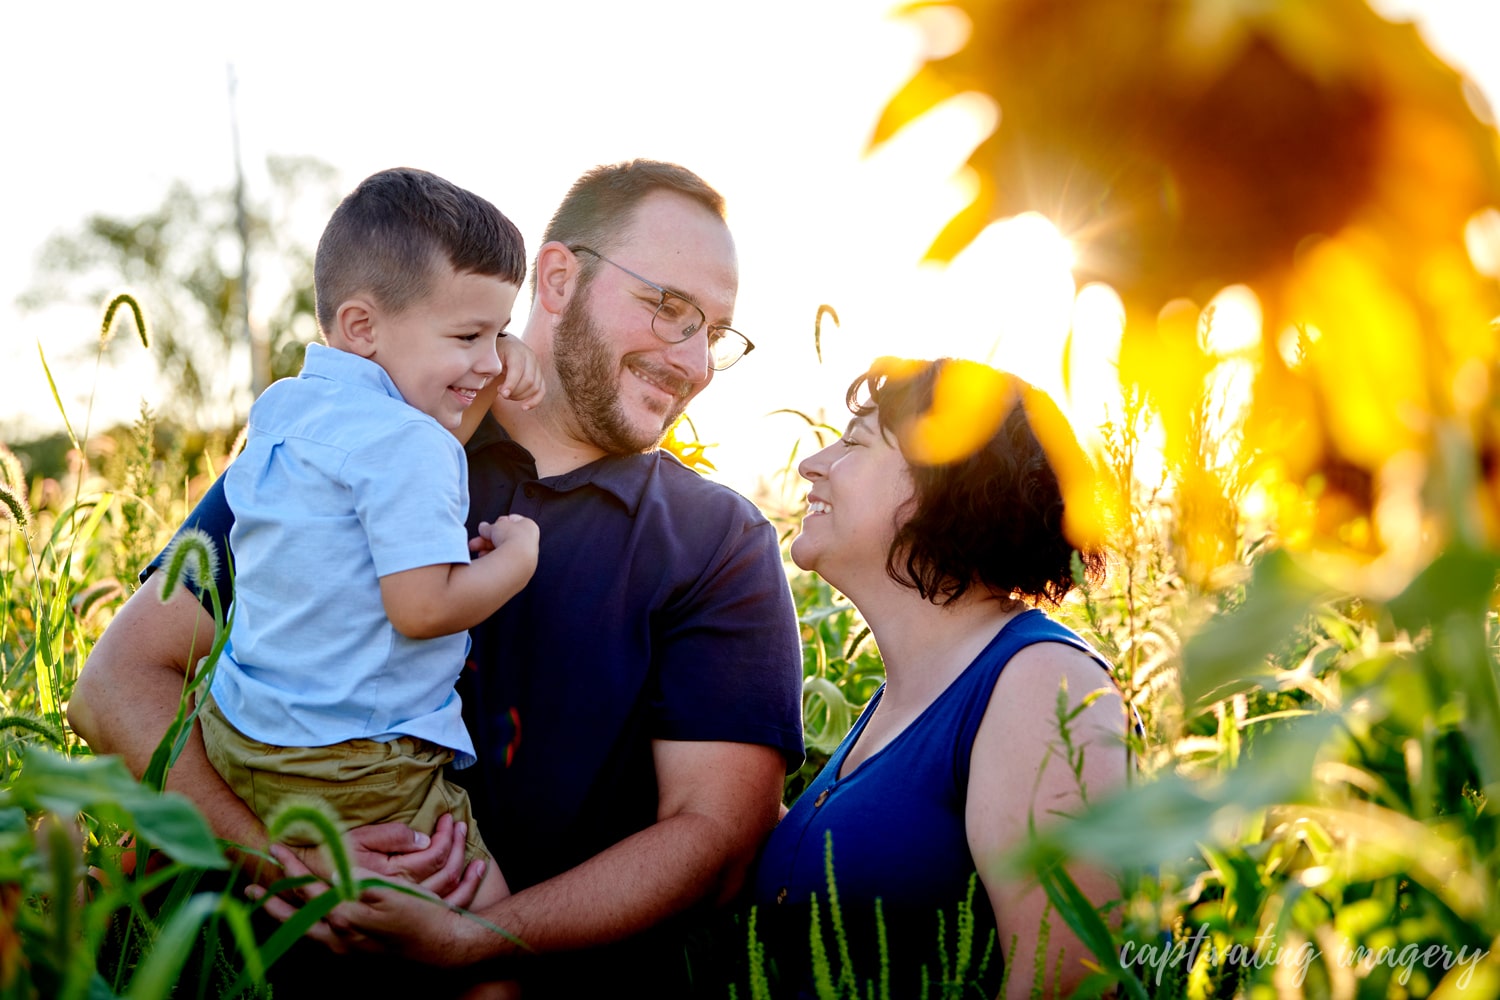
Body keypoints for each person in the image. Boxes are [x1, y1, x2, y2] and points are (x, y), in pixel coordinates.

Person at [68, 160, 805, 998]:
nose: (694, 361)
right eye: (669, 308)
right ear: (558, 277)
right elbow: (115, 683)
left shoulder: (719, 541)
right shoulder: (355, 444)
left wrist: (472, 942)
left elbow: (719, 837)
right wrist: (278, 864)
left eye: (714, 332)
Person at [198, 167, 542, 931]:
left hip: (243, 735)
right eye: (469, 335)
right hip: (358, 762)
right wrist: (514, 560)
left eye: (501, 332)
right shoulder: (412, 445)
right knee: (484, 932)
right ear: (361, 326)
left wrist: (475, 367)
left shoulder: (284, 409)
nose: (491, 359)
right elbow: (420, 607)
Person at [746, 357, 1127, 998]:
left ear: (942, 481)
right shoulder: (898, 700)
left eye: (856, 442)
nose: (814, 464)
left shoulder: (1040, 682)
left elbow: (1065, 984)